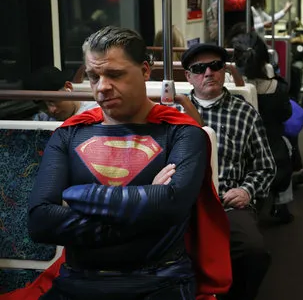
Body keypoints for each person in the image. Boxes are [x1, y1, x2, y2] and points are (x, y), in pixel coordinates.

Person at [12, 26, 232, 300]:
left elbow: (171, 206)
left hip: (159, 283)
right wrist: (145, 207)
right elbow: (41, 222)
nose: (102, 86)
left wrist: (75, 195)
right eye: (94, 77)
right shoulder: (69, 134)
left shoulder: (182, 133)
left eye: (114, 74)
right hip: (78, 282)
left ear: (144, 71)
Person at [180, 42, 275, 300]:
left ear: (224, 71)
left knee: (253, 252)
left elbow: (265, 165)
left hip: (227, 203)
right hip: (182, 202)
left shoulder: (246, 113)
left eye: (215, 66)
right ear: (188, 76)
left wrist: (246, 190)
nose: (208, 73)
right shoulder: (174, 112)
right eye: (199, 68)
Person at [232, 32, 295, 223]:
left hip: (238, 154)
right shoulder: (277, 87)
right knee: (288, 145)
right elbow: (286, 115)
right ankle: (281, 204)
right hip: (273, 153)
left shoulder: (230, 90)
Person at [23, 66, 98, 121]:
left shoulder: (95, 114)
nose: (51, 110)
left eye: (54, 100)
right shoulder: (42, 119)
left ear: (68, 87)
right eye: (43, 105)